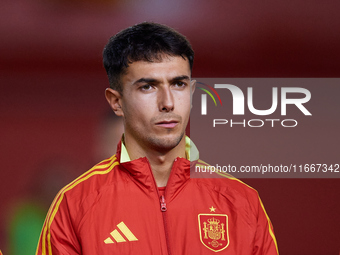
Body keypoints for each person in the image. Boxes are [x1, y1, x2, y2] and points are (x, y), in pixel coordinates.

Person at [36, 22, 279, 254]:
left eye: (178, 84)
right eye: (148, 87)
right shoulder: (75, 204)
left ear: (193, 93)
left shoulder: (241, 202)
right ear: (117, 102)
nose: (168, 103)